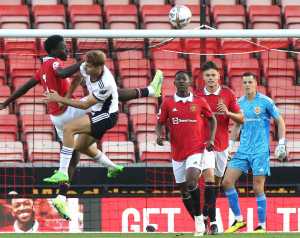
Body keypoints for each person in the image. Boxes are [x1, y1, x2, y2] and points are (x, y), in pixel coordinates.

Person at [0, 35, 163, 220]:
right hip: (70, 111)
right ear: (53, 50)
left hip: (56, 116)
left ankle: (62, 195)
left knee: (77, 151)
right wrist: (78, 66)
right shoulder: (55, 64)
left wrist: (7, 102)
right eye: (64, 47)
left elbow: (26, 86)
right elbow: (63, 74)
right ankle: (64, 172)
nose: (67, 50)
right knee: (89, 120)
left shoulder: (41, 70)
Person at [222, 72, 287, 233]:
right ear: (242, 84)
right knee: (227, 182)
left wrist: (281, 143)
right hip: (243, 150)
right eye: (244, 82)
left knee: (257, 188)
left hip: (260, 151)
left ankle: (262, 226)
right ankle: (238, 220)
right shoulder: (239, 103)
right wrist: (230, 145)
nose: (247, 84)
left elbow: (279, 120)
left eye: (250, 81)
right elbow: (237, 125)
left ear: (255, 83)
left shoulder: (265, 101)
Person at [156, 71, 217, 236]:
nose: (181, 82)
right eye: (178, 79)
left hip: (197, 149)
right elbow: (160, 123)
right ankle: (198, 219)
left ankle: (200, 220)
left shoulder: (199, 101)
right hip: (177, 152)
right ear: (174, 83)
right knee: (184, 190)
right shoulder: (168, 103)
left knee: (191, 181)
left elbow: (212, 119)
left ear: (189, 82)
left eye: (184, 79)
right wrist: (159, 135)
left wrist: (210, 139)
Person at [195, 61, 243, 234]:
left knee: (214, 185)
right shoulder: (197, 95)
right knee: (208, 181)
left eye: (213, 75)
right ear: (202, 77)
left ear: (218, 76)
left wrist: (227, 113)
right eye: (207, 75)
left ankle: (207, 215)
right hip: (205, 144)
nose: (210, 78)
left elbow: (241, 119)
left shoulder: (228, 94)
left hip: (222, 146)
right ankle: (213, 222)